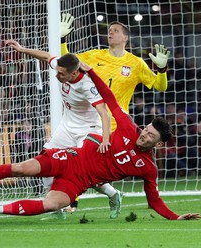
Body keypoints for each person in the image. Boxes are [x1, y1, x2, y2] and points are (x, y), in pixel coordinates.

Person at [0, 62, 201, 222]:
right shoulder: (126, 127)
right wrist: (92, 73)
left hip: (78, 182)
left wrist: (176, 216)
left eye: (149, 136)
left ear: (157, 144)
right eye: (145, 130)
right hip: (69, 158)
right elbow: (110, 98)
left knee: (54, 204)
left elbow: (154, 200)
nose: (143, 135)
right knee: (22, 168)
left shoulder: (148, 168)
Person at [59, 13, 171, 210]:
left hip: (117, 126)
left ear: (125, 38)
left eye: (115, 30)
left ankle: (74, 200)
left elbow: (159, 86)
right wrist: (62, 40)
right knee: (78, 160)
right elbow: (66, 62)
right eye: (109, 31)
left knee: (87, 164)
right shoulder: (95, 55)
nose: (110, 33)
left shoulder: (136, 63)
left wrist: (162, 70)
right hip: (88, 119)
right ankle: (81, 199)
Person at [5, 39, 120, 219]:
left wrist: (105, 139)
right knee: (46, 161)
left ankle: (114, 194)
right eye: (57, 72)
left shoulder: (87, 85)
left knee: (84, 171)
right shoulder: (62, 67)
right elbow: (46, 56)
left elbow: (104, 114)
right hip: (67, 127)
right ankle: (56, 211)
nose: (57, 76)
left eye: (62, 75)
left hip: (89, 130)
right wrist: (21, 49)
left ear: (74, 73)